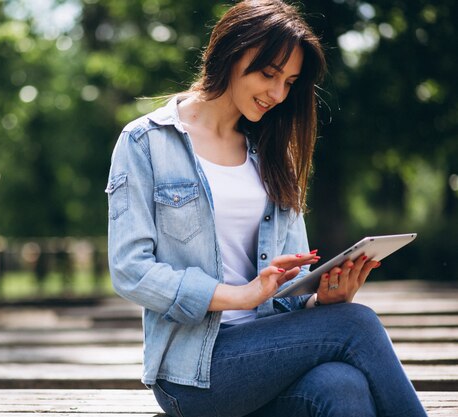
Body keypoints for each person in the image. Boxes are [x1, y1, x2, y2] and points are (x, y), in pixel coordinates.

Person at [105, 1, 427, 416]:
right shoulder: (146, 142)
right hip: (192, 373)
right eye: (268, 73)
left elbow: (290, 289)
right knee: (358, 325)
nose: (277, 94)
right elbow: (131, 270)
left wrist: (320, 302)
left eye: (290, 81)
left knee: (341, 385)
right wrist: (239, 296)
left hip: (269, 357)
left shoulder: (274, 155)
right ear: (230, 52)